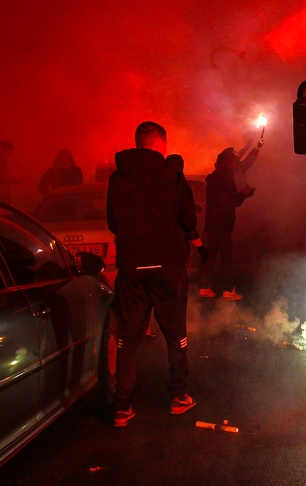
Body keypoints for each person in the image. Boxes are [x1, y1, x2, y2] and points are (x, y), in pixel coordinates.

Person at [106, 121, 198, 426]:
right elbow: (187, 218)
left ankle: (122, 408)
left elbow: (113, 222)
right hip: (168, 267)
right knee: (175, 334)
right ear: (161, 143)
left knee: (128, 339)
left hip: (132, 268)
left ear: (137, 143)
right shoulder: (171, 174)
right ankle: (178, 397)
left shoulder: (117, 178)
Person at [200, 148, 255, 301]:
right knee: (226, 259)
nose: (235, 165)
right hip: (223, 224)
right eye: (233, 162)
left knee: (210, 258)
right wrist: (245, 193)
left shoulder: (212, 178)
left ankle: (205, 288)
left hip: (211, 223)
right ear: (229, 163)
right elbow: (234, 201)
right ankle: (228, 290)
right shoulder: (226, 179)